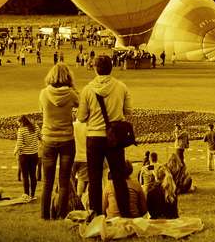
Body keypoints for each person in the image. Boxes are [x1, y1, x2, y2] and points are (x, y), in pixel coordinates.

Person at [76, 55, 132, 217]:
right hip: (114, 137)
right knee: (119, 178)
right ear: (111, 67)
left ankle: (96, 215)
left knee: (94, 179)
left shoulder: (88, 90)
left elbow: (81, 117)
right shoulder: (121, 87)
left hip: (94, 137)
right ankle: (125, 214)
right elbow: (128, 111)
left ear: (95, 68)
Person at [39, 64, 79, 220]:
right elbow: (81, 104)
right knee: (64, 182)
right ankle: (62, 215)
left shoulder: (44, 93)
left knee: (47, 182)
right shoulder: (70, 94)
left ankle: (44, 216)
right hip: (66, 139)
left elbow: (42, 111)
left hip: (48, 139)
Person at [13, 115, 41, 200]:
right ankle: (32, 195)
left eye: (18, 123)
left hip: (24, 156)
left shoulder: (21, 130)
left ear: (22, 122)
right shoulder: (36, 127)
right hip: (34, 155)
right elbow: (40, 137)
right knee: (33, 175)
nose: (18, 125)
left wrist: (15, 152)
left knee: (25, 176)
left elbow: (19, 144)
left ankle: (26, 195)